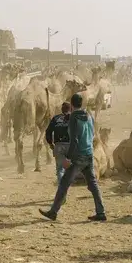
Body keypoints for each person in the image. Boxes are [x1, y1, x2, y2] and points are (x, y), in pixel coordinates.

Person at [40, 93, 107, 222]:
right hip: (89, 154)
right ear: (81, 104)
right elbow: (92, 134)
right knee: (93, 184)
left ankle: (53, 212)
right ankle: (101, 212)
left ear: (71, 105)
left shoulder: (73, 118)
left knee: (64, 183)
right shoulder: (89, 116)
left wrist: (68, 159)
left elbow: (74, 140)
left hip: (78, 156)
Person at [45, 102, 71, 185]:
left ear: (61, 110)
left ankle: (62, 193)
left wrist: (51, 144)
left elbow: (48, 132)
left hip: (59, 146)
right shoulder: (74, 118)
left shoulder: (56, 118)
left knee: (60, 170)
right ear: (70, 109)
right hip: (72, 146)